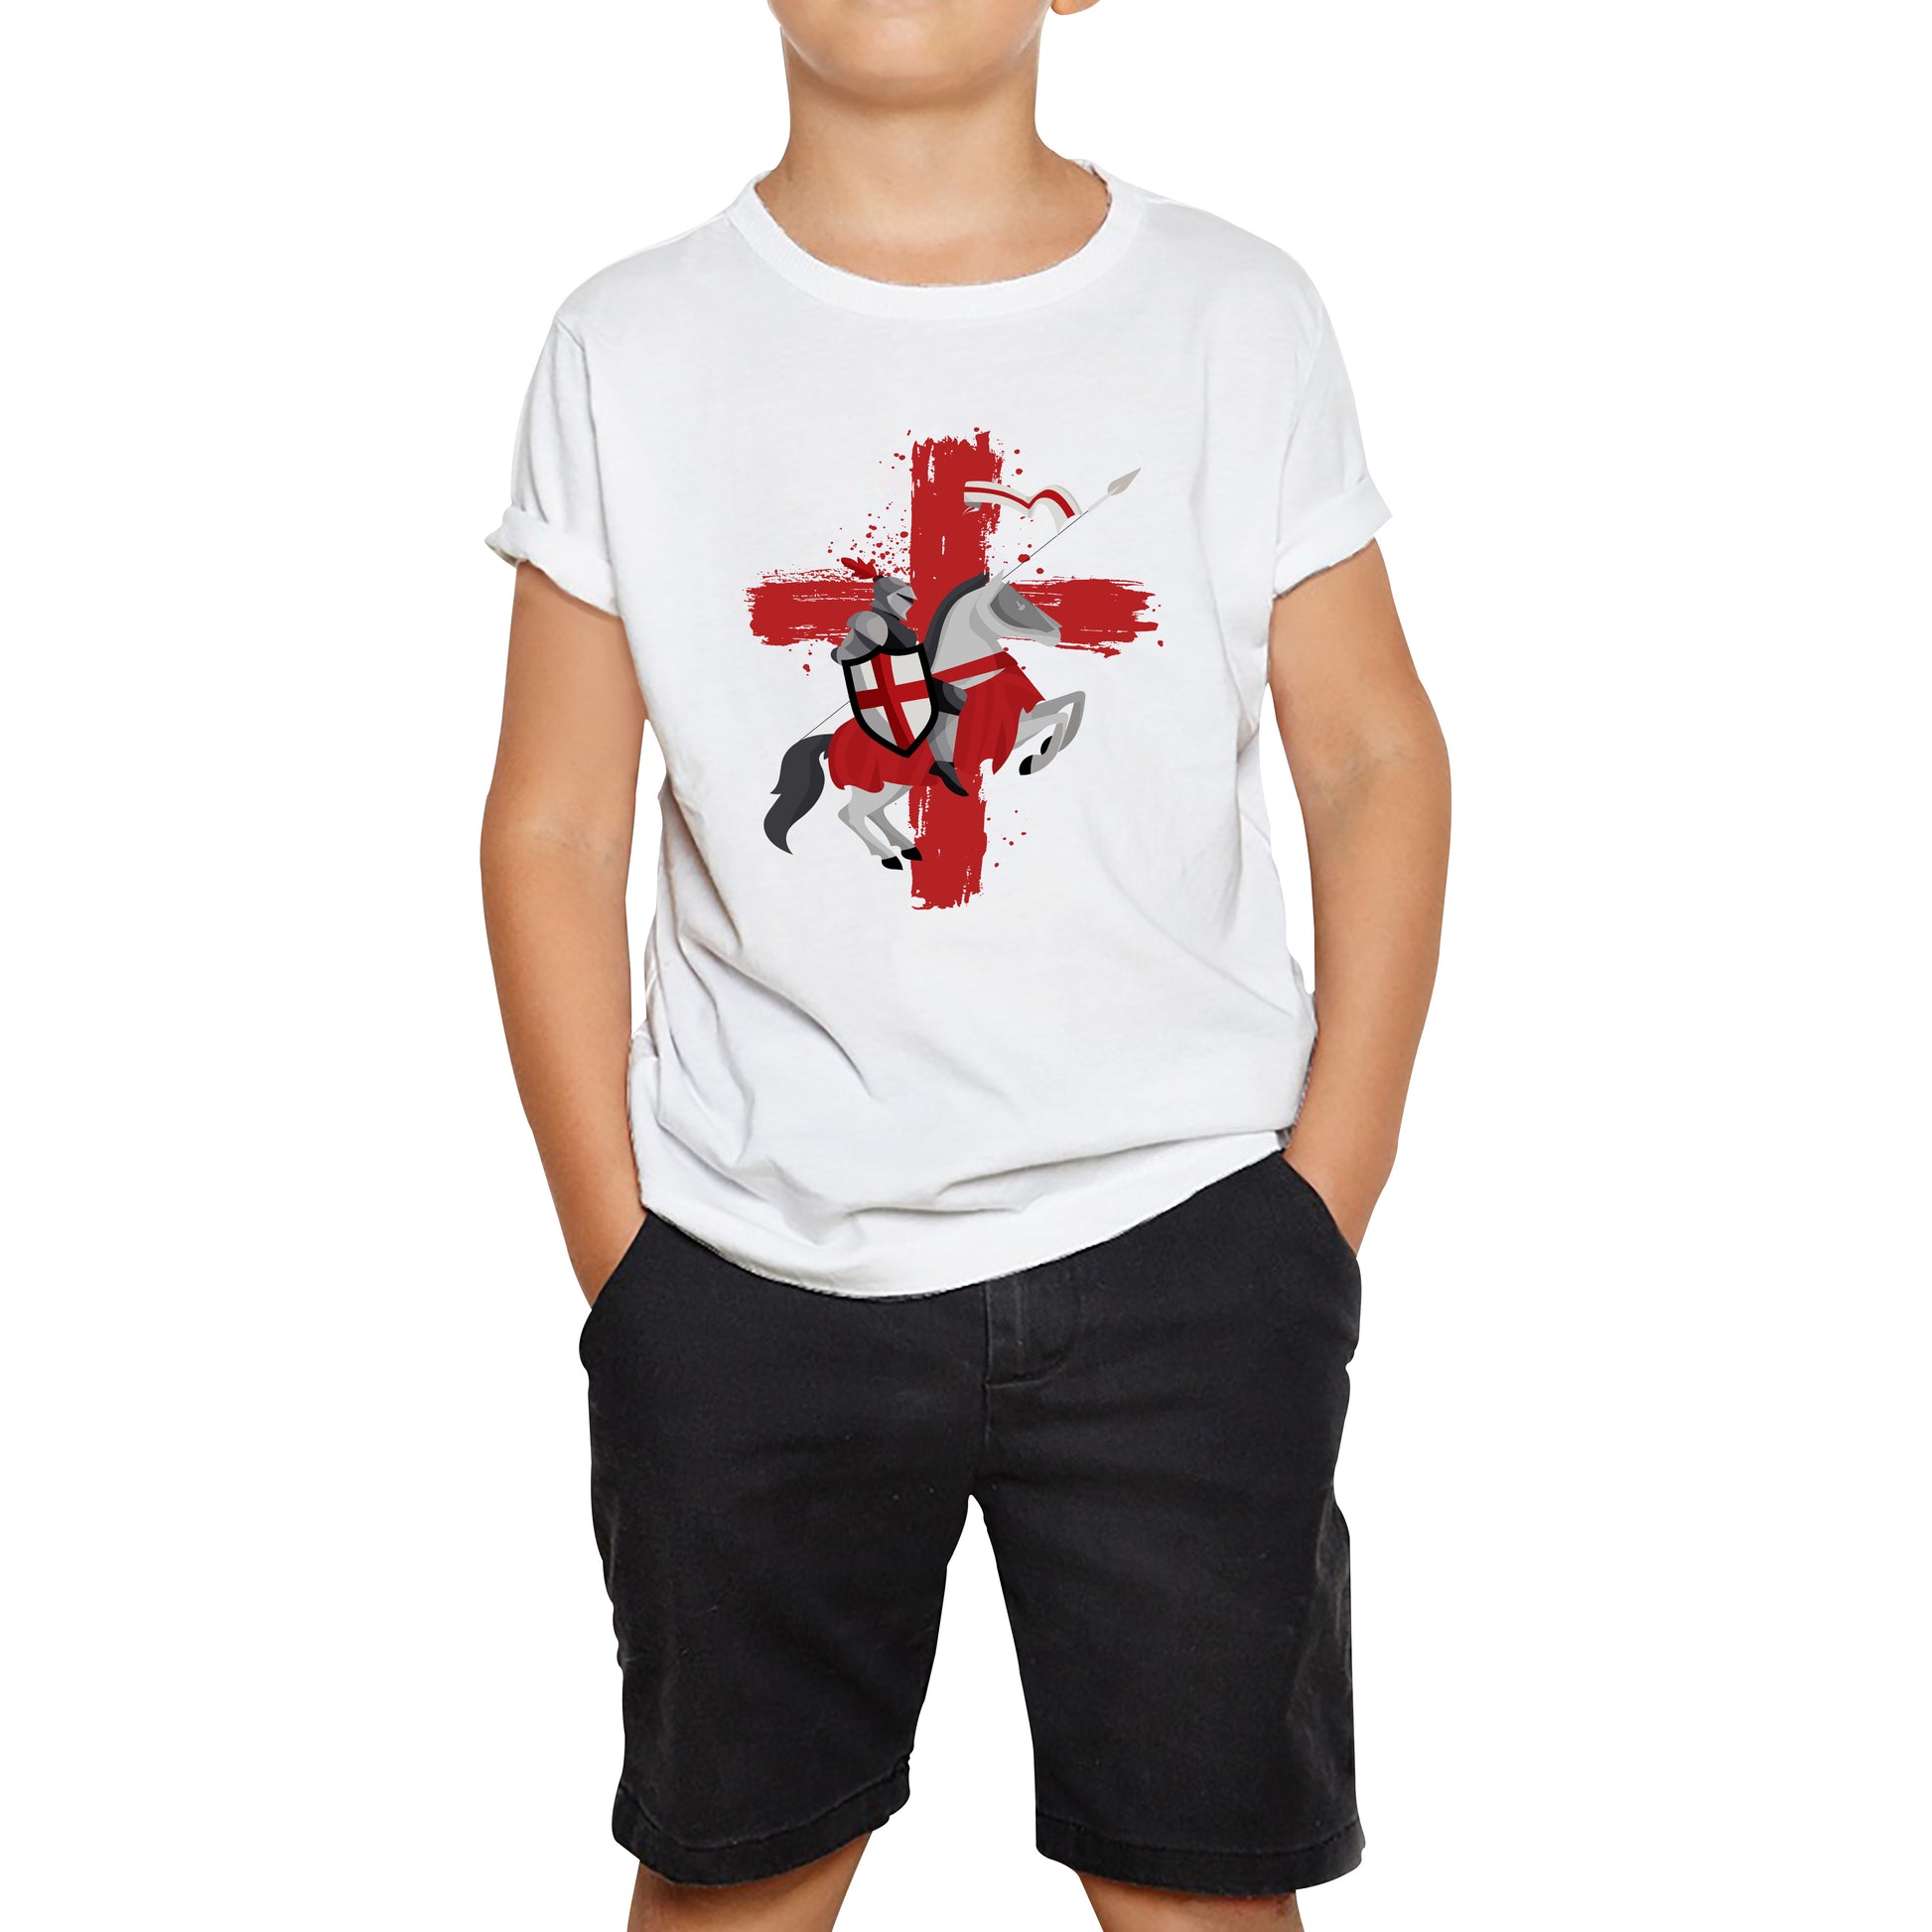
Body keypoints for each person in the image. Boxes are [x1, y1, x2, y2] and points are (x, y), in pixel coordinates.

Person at [480, 2, 1450, 1926]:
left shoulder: (1230, 317)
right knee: (734, 1877)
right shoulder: (630, 347)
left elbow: (1370, 756)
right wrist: (632, 1263)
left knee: (1205, 1883)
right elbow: (554, 827)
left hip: (1186, 1246)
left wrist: (1319, 1199)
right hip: (755, 1268)